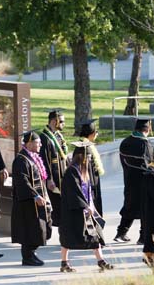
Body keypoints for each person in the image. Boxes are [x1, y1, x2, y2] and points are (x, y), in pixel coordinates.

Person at [58, 142, 114, 272]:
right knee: (68, 238)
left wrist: (91, 205)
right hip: (73, 211)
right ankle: (64, 263)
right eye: (88, 157)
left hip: (84, 210)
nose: (89, 160)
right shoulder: (72, 171)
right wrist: (84, 206)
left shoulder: (83, 171)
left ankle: (101, 261)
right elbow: (74, 192)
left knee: (95, 235)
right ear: (81, 156)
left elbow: (88, 191)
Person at [11, 130, 52, 266]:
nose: (40, 145)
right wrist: (35, 195)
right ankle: (28, 256)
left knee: (37, 228)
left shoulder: (32, 157)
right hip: (27, 202)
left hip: (36, 201)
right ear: (28, 144)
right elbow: (22, 181)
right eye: (37, 143)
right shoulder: (21, 160)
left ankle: (31, 253)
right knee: (30, 229)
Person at [115, 118, 154, 243]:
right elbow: (148, 165)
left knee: (129, 207)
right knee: (145, 210)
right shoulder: (145, 144)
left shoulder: (125, 142)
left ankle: (121, 233)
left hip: (129, 180)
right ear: (147, 129)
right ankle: (143, 237)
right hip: (143, 183)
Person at [40, 109, 68, 226]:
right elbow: (44, 160)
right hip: (53, 177)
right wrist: (49, 179)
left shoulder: (59, 136)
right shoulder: (45, 137)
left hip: (62, 174)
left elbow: (64, 155)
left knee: (62, 205)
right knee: (55, 205)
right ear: (53, 121)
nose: (63, 124)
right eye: (61, 121)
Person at [77, 119, 104, 216]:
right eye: (96, 132)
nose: (97, 134)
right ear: (92, 133)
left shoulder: (88, 146)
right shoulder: (84, 148)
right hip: (89, 185)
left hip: (93, 183)